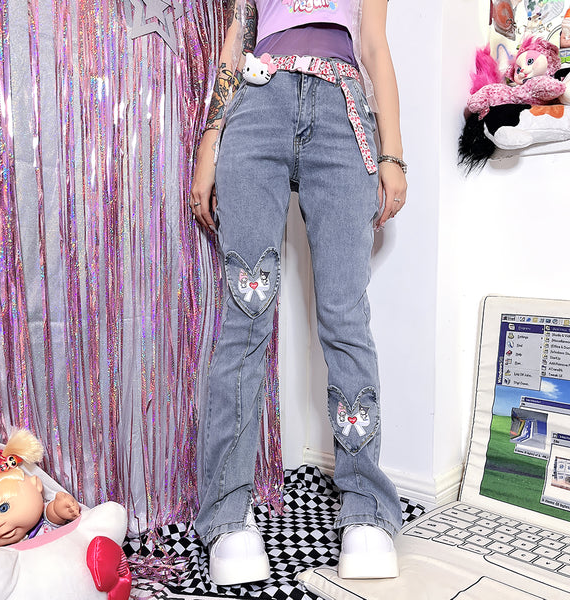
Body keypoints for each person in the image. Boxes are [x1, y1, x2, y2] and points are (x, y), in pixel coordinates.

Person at [190, 0, 407, 586]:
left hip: (343, 111)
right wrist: (211, 137)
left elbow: (374, 44)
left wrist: (393, 152)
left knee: (345, 317)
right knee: (245, 315)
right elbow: (237, 36)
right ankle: (227, 514)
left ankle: (367, 509)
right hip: (258, 102)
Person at [0, 429, 81, 547]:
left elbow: (51, 517)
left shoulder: (40, 528)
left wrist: (57, 510)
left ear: (36, 484)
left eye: (3, 508)